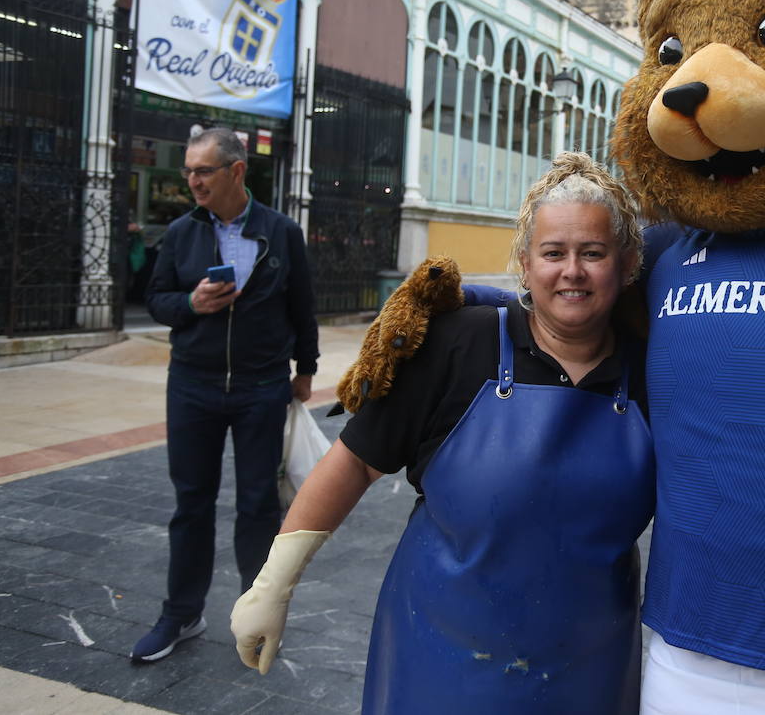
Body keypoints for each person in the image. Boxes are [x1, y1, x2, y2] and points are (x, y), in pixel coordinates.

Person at [229, 152, 654, 714]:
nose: (571, 271)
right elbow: (356, 461)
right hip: (440, 657)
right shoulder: (461, 342)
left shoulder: (653, 370)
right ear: (525, 266)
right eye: (553, 253)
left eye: (592, 253)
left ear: (626, 266)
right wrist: (273, 585)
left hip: (590, 667)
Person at [132, 126, 318, 663]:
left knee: (259, 506)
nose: (191, 180)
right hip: (192, 385)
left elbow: (302, 307)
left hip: (262, 387)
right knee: (191, 504)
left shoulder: (281, 232)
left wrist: (305, 369)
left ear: (237, 172)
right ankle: (181, 614)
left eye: (201, 171)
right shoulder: (181, 232)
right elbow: (156, 301)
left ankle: (254, 617)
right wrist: (191, 303)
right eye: (188, 171)